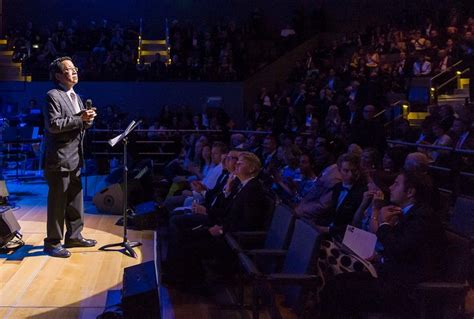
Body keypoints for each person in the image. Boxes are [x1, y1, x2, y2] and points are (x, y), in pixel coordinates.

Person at [42, 56, 97, 258]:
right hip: (59, 158)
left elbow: (76, 124)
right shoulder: (53, 95)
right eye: (68, 69)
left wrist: (87, 120)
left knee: (75, 199)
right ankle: (52, 242)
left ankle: (74, 236)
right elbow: (54, 125)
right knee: (58, 202)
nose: (74, 71)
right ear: (58, 75)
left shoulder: (76, 96)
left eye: (74, 68)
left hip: (75, 156)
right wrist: (79, 118)